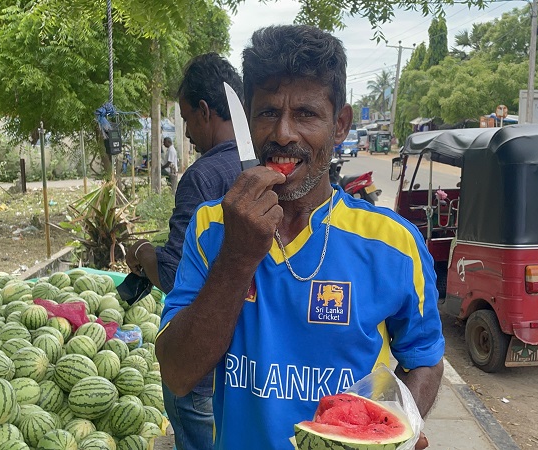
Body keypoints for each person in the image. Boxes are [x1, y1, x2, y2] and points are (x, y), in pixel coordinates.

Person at [156, 25, 444, 450]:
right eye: (268, 112)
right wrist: (236, 256)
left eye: (306, 114)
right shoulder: (211, 227)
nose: (284, 134)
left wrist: (402, 422)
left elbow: (424, 360)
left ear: (340, 124)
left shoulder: (392, 243)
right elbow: (179, 375)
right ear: (249, 123)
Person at [124, 52, 244, 450]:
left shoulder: (202, 176)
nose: (188, 132)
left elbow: (175, 277)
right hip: (250, 360)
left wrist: (142, 254)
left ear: (206, 110)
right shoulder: (262, 165)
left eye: (188, 118)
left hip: (200, 360)